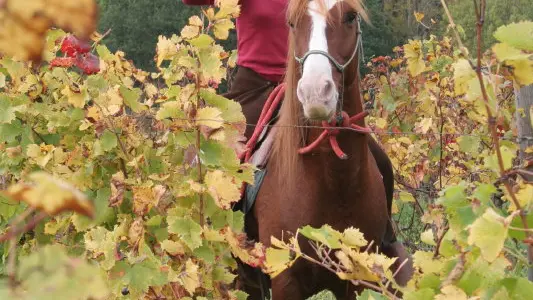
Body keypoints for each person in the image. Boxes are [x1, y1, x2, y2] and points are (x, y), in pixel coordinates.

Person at [182, 0, 413, 297]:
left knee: (376, 158)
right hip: (255, 87)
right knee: (215, 161)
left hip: (313, 81)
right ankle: (224, 252)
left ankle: (385, 239)